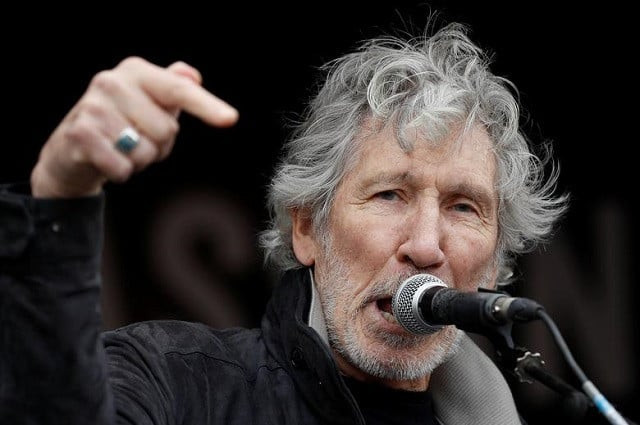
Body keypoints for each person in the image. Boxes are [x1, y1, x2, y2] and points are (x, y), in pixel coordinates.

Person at [0, 21, 568, 424]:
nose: (425, 246)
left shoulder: (499, 410)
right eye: (390, 194)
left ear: (494, 260)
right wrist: (60, 202)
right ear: (307, 230)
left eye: (463, 207)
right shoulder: (176, 381)